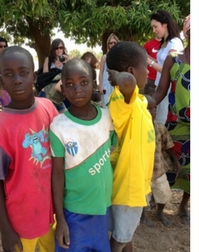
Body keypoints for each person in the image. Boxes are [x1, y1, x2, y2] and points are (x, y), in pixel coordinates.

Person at [0, 46, 58, 252]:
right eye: (9, 75)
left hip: (50, 213)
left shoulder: (48, 108)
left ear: (33, 76)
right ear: (1, 82)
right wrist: (6, 231)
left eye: (23, 72)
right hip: (20, 221)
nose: (17, 79)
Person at [50, 59, 115, 251]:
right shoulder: (58, 126)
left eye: (84, 82)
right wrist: (60, 219)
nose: (77, 88)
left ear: (94, 84)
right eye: (69, 84)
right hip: (74, 214)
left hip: (102, 210)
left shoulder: (107, 117)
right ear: (63, 88)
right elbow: (57, 174)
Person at [105, 41, 155, 252]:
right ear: (132, 72)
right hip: (128, 186)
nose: (149, 71)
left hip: (136, 184)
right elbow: (126, 82)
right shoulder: (121, 98)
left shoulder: (137, 101)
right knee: (119, 239)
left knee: (127, 234)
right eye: (146, 66)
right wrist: (115, 76)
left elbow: (152, 98)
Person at [154, 14, 191, 223]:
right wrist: (144, 102)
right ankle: (160, 208)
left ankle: (183, 207)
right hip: (175, 123)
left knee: (191, 171)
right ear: (186, 32)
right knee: (167, 166)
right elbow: (160, 91)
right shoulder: (174, 57)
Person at [141, 95, 179, 228]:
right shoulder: (137, 128)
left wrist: (176, 161)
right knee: (142, 199)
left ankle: (159, 212)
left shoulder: (160, 128)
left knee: (164, 194)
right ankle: (143, 217)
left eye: (154, 108)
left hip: (158, 170)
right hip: (142, 173)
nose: (152, 112)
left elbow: (168, 146)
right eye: (148, 109)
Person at [149, 10, 184, 124]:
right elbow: (162, 62)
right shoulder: (165, 43)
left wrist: (149, 62)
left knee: (163, 121)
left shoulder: (175, 43)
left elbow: (170, 70)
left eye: (155, 26)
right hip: (159, 87)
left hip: (168, 90)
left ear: (165, 24)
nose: (154, 31)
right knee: (158, 120)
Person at [99, 34, 120, 107]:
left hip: (117, 84)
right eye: (111, 43)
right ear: (108, 45)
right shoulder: (104, 57)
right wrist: (101, 86)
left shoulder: (120, 57)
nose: (113, 44)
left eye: (115, 42)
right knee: (106, 104)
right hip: (106, 84)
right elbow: (101, 73)